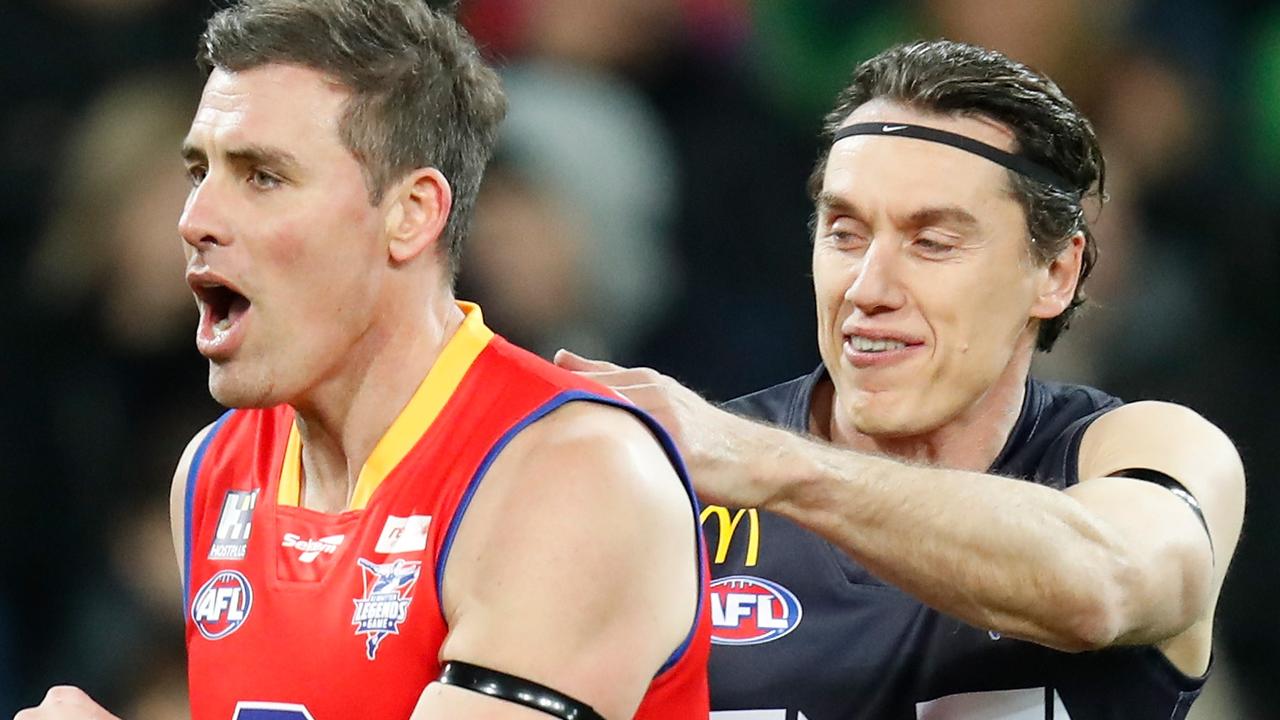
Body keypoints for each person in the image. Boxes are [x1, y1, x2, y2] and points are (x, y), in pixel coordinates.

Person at [16, 1, 709, 719]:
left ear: (411, 213)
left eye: (262, 177)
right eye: (200, 171)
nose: (195, 220)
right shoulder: (214, 472)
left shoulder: (569, 471)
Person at [557, 39, 1245, 719]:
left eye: (932, 242)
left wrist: (778, 467)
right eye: (845, 233)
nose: (868, 287)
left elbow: (1104, 587)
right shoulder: (671, 490)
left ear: (1056, 274)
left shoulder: (1147, 449)